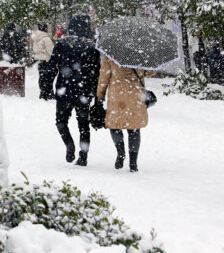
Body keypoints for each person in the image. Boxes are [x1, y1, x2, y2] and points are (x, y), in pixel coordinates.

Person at [48, 14, 100, 166]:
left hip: (64, 89)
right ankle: (83, 156)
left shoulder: (62, 44)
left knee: (60, 121)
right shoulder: (92, 48)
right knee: (83, 125)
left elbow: (52, 67)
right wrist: (97, 97)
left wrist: (46, 86)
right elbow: (96, 73)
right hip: (84, 92)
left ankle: (69, 144)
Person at [96, 55, 155, 172]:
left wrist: (100, 94)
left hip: (117, 95)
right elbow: (150, 72)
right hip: (136, 94)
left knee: (114, 125)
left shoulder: (110, 54)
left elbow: (104, 76)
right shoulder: (140, 52)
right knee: (134, 128)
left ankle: (120, 152)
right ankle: (133, 162)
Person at [31, 22, 55, 100]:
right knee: (48, 77)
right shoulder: (46, 38)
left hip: (39, 60)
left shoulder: (35, 38)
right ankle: (48, 93)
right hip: (46, 60)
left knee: (41, 77)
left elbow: (34, 49)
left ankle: (42, 92)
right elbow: (51, 50)